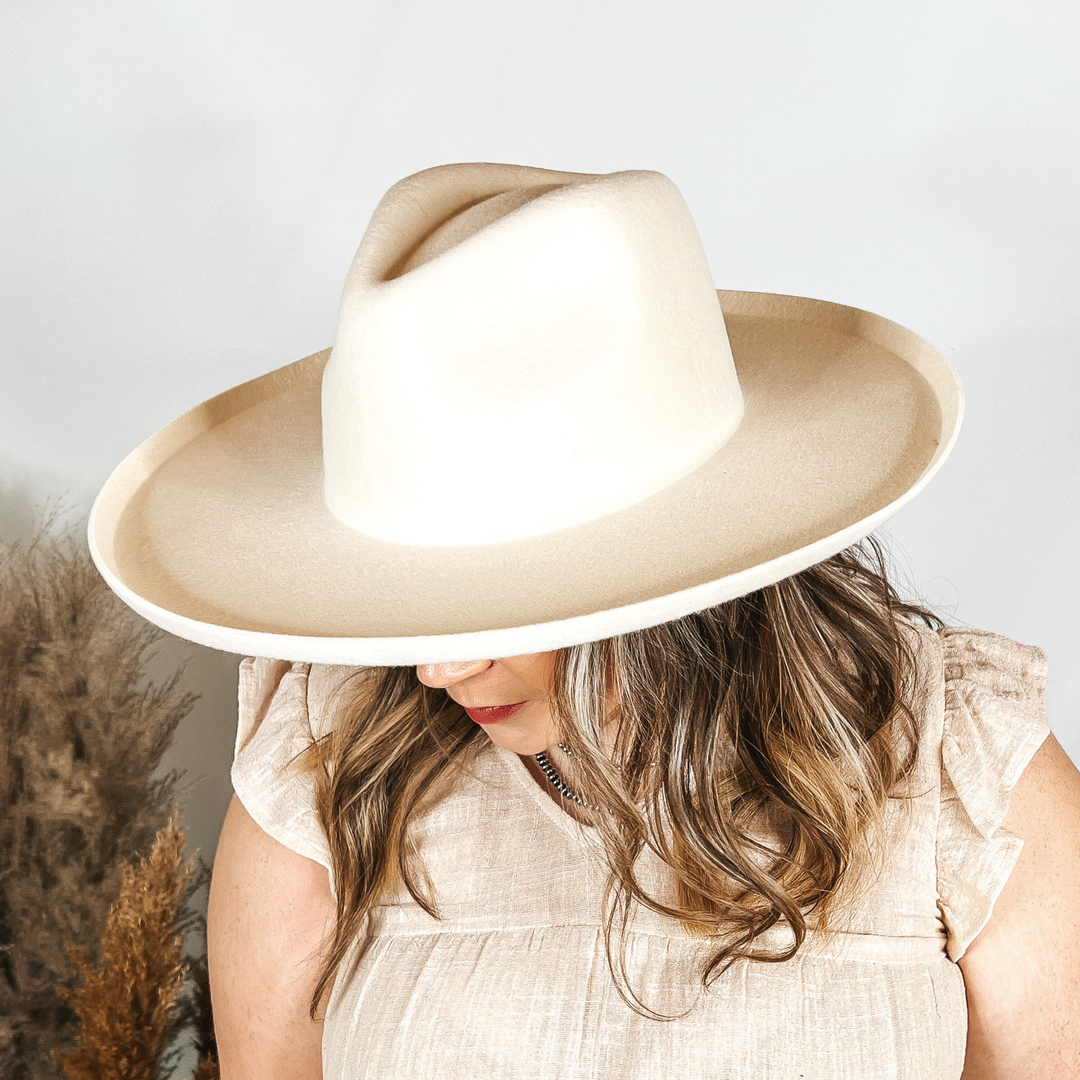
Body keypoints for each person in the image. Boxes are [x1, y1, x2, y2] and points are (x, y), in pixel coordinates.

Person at [88, 163, 1080, 1079]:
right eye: (403, 596)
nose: (435, 667)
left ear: (675, 569)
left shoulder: (964, 777)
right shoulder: (333, 764)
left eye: (504, 599)